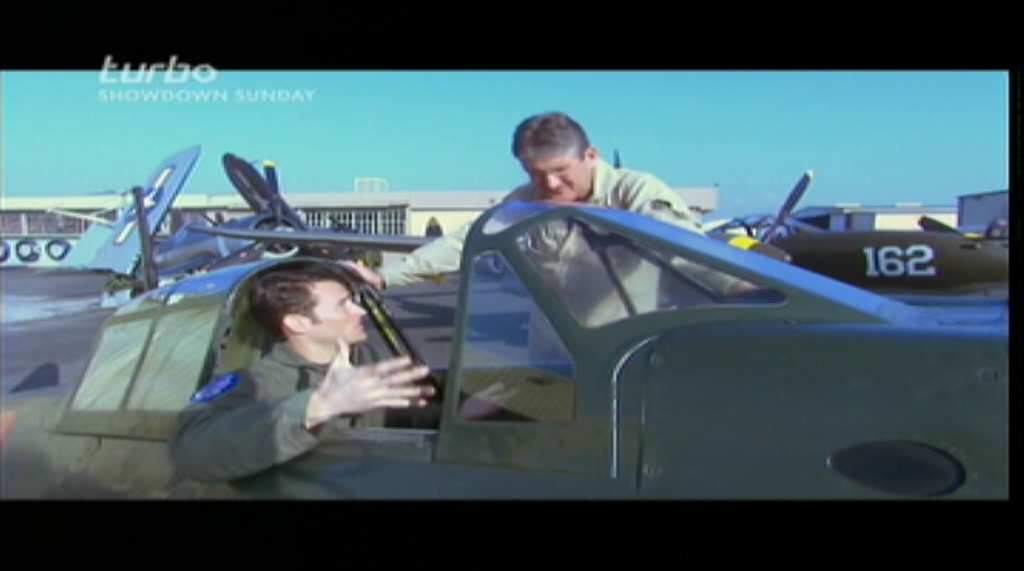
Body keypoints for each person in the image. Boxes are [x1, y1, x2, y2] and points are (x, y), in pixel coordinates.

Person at [343, 111, 753, 298]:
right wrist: (386, 277)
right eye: (535, 173)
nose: (550, 185)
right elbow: (467, 240)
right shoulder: (525, 200)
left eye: (560, 171)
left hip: (632, 346)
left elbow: (680, 244)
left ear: (590, 156)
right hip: (557, 346)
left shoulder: (636, 190)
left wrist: (740, 288)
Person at [168, 260, 435, 484]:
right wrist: (317, 406)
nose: (360, 310)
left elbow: (417, 420)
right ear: (298, 323)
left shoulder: (371, 361)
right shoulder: (257, 382)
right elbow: (191, 454)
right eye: (343, 304)